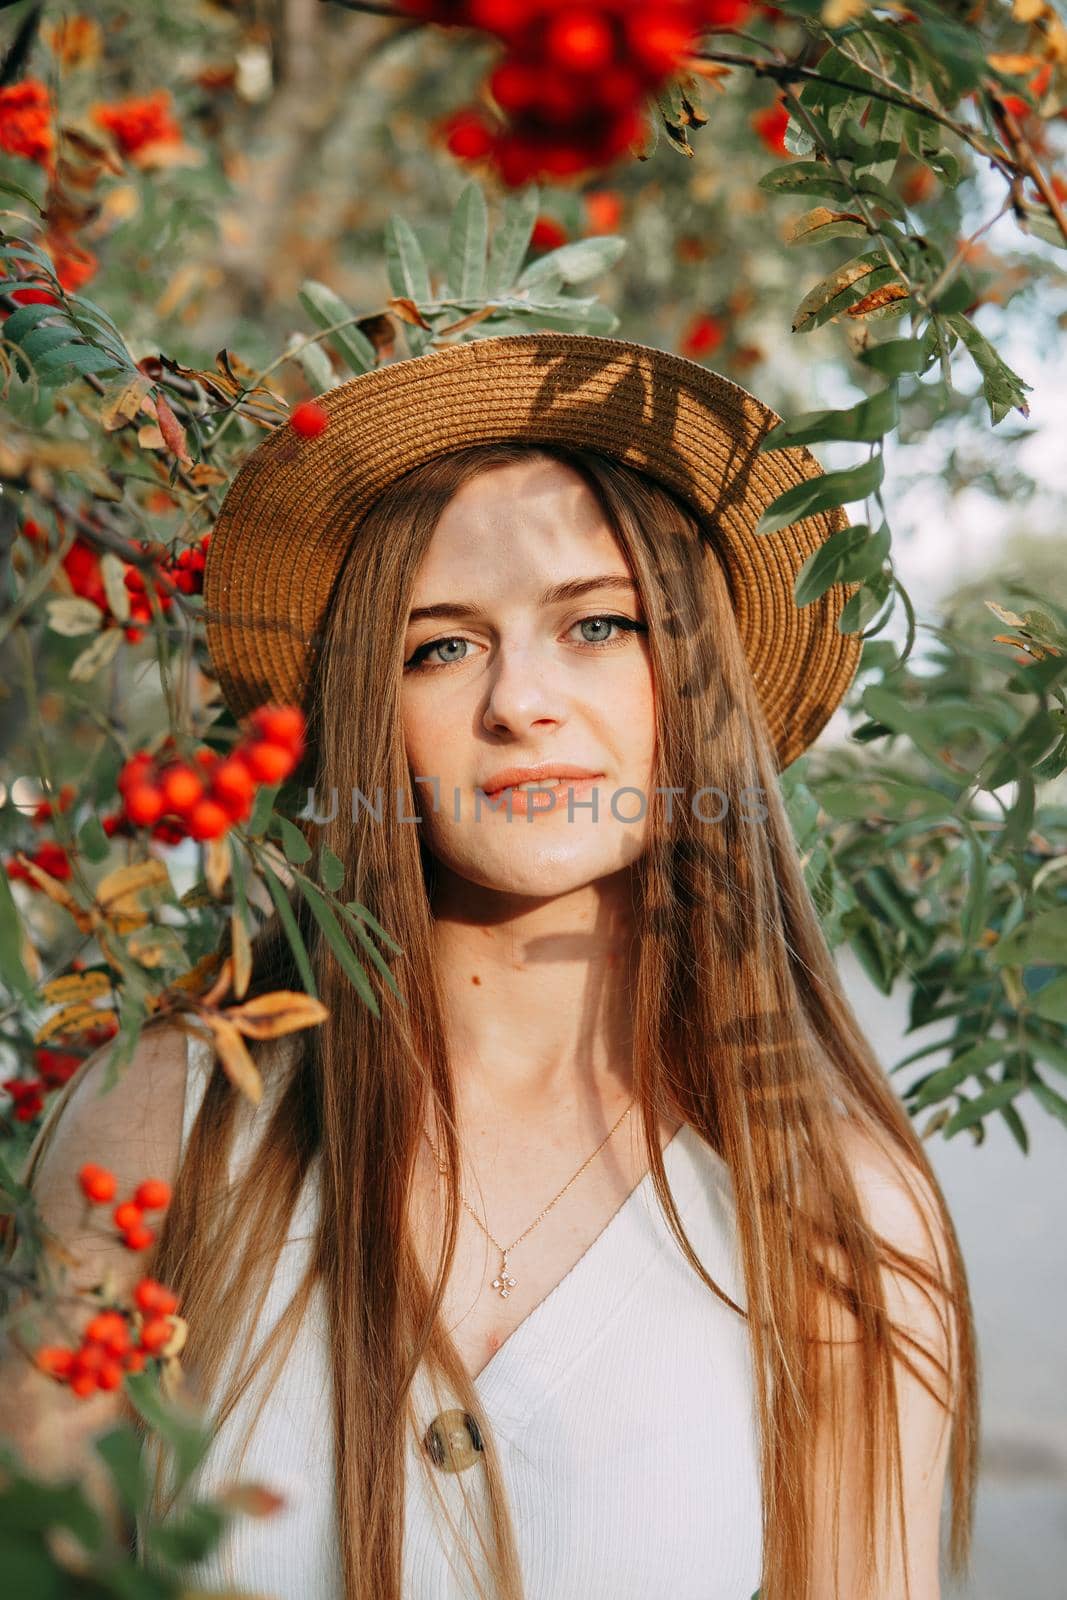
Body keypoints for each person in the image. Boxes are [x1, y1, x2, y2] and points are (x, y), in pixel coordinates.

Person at [5, 334, 978, 1600]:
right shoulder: (163, 1123)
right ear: (369, 714)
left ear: (689, 683)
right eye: (440, 647)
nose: (520, 699)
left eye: (595, 623)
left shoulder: (834, 1210)